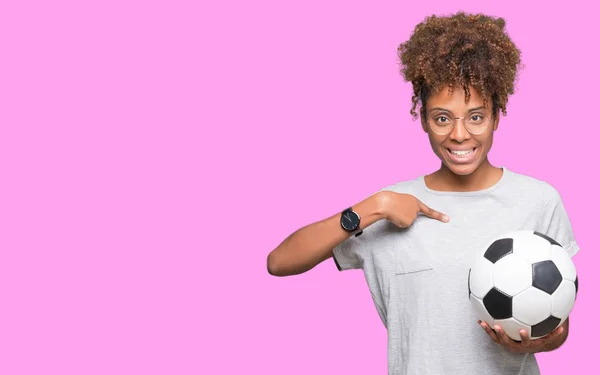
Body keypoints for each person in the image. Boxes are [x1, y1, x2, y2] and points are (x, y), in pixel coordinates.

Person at [266, 11, 579, 375]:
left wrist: (537, 341)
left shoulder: (538, 199)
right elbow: (279, 262)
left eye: (475, 116)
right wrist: (374, 206)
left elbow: (559, 322)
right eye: (442, 118)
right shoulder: (389, 206)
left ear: (496, 115)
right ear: (424, 120)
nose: (459, 134)